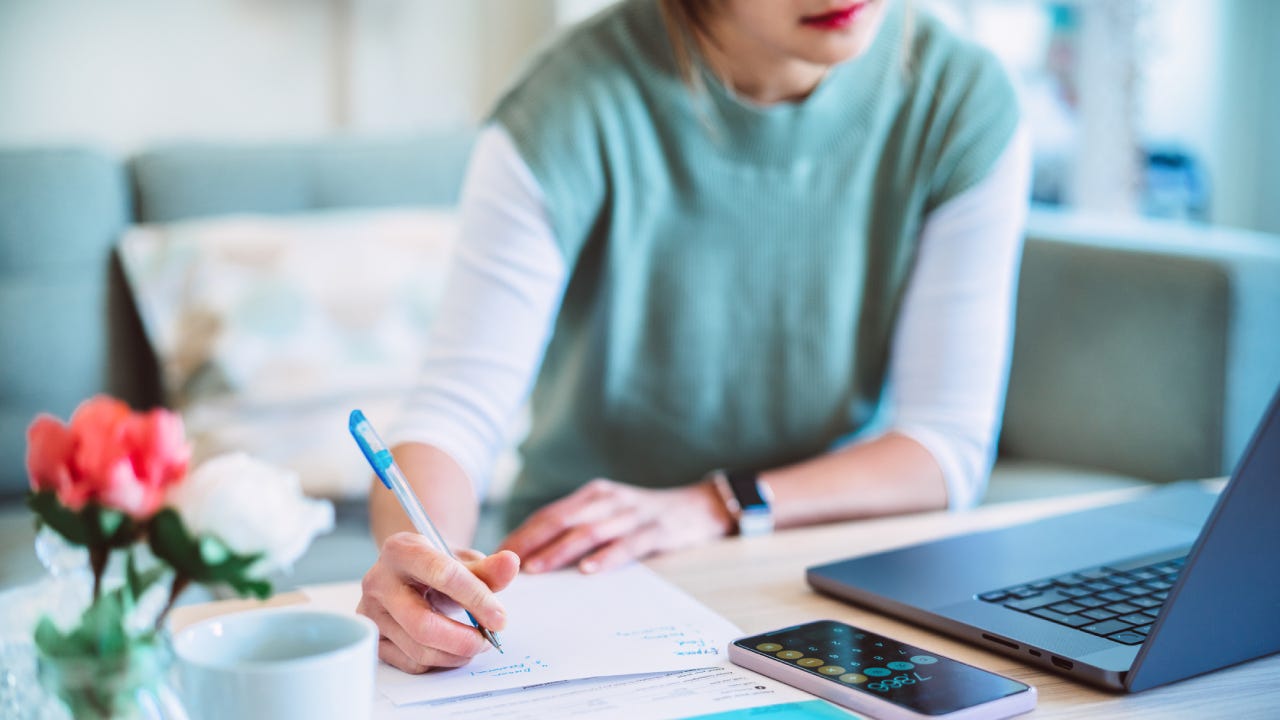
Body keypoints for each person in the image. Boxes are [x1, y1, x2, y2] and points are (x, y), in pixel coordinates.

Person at [357, 0, 1031, 674]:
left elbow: (945, 446)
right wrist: (421, 563)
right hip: (585, 574)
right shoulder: (569, 99)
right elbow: (455, 409)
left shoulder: (961, 98)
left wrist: (716, 504)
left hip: (836, 567)